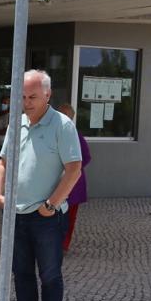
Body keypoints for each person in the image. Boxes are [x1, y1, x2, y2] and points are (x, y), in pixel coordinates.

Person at [0, 70, 82, 301]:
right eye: (22, 96)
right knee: (21, 274)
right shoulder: (15, 124)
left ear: (47, 95)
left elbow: (74, 170)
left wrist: (52, 204)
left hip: (47, 217)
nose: (26, 102)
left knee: (50, 276)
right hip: (17, 214)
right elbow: (4, 163)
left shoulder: (62, 125)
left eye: (32, 96)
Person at [57, 103, 91, 253]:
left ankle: (63, 244)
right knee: (59, 215)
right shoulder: (59, 132)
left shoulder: (74, 135)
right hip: (60, 183)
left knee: (68, 216)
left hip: (72, 184)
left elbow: (86, 158)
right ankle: (57, 243)